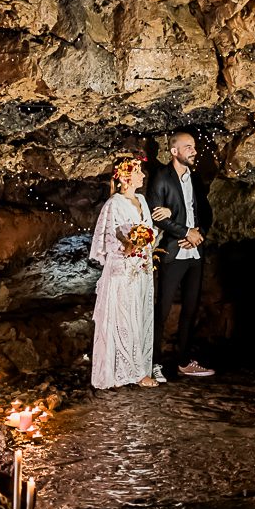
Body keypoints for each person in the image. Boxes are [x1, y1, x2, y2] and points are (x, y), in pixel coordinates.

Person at [89, 155, 172, 389]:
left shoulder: (142, 200)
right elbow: (110, 237)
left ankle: (140, 367)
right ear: (125, 177)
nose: (143, 175)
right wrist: (128, 244)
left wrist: (155, 229)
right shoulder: (114, 204)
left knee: (141, 316)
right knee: (125, 320)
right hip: (122, 271)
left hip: (142, 269)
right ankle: (130, 371)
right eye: (138, 172)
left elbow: (149, 229)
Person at [147, 130, 215, 379]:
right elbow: (157, 216)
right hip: (173, 252)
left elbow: (207, 212)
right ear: (174, 151)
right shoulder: (160, 177)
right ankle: (152, 362)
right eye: (189, 147)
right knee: (162, 310)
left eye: (194, 147)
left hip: (195, 252)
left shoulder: (196, 180)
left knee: (190, 308)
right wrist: (187, 232)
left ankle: (184, 360)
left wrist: (200, 233)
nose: (194, 151)